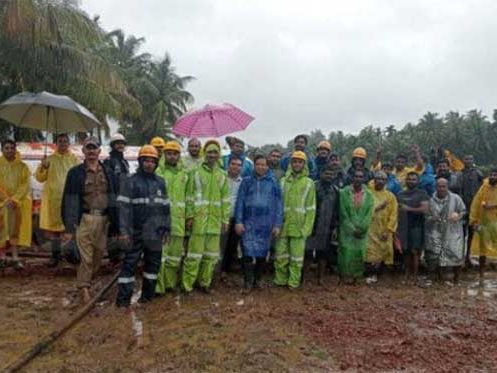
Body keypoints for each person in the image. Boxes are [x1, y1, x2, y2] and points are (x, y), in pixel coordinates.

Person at [62, 137, 118, 303]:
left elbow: (115, 198)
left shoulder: (109, 172)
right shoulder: (75, 173)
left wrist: (117, 224)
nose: (92, 151)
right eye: (88, 148)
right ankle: (84, 290)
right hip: (85, 219)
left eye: (94, 148)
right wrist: (69, 228)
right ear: (83, 151)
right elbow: (69, 199)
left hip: (104, 220)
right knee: (86, 257)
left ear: (99, 151)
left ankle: (85, 283)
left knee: (97, 258)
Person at [116, 145, 170, 307]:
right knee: (129, 266)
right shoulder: (130, 182)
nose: (149, 164)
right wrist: (124, 231)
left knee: (153, 267)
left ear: (156, 163)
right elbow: (123, 209)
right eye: (145, 160)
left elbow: (166, 208)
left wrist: (166, 228)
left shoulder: (160, 183)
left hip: (155, 234)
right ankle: (123, 301)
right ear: (140, 161)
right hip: (135, 233)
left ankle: (147, 298)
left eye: (152, 161)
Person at [182, 140, 230, 294]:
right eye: (209, 152)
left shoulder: (222, 175)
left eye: (215, 152)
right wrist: (189, 216)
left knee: (210, 256)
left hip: (215, 222)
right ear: (204, 153)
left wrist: (225, 220)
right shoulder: (195, 172)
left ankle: (205, 283)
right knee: (194, 255)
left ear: (218, 155)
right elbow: (189, 196)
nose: (212, 155)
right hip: (198, 220)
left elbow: (225, 200)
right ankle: (187, 285)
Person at [235, 155, 283, 289]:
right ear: (254, 166)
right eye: (258, 164)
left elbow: (279, 204)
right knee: (247, 252)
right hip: (248, 221)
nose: (261, 167)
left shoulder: (273, 182)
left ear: (268, 166)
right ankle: (248, 282)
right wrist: (238, 221)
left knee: (263, 253)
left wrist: (277, 224)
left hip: (266, 223)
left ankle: (257, 280)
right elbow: (240, 202)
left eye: (264, 164)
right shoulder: (246, 181)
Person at [36, 133, 80, 267]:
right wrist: (43, 167)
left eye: (65, 141)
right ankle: (55, 256)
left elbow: (79, 178)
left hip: (69, 200)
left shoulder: (74, 159)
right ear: (56, 143)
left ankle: (71, 255)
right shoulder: (49, 159)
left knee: (71, 228)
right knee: (55, 230)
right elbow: (40, 178)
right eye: (60, 141)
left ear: (69, 143)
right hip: (53, 199)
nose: (63, 144)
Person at [274, 151, 316, 289]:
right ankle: (280, 280)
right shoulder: (283, 181)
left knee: (296, 258)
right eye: (295, 161)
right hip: (283, 225)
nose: (297, 164)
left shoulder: (309, 183)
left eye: (300, 162)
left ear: (304, 164)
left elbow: (311, 208)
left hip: (299, 227)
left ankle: (293, 282)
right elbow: (277, 205)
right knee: (280, 256)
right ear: (291, 164)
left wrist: (306, 229)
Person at [155, 141, 188, 294]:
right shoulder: (158, 174)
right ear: (164, 155)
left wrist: (190, 217)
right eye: (169, 153)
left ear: (179, 156)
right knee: (160, 257)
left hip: (179, 222)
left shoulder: (185, 175)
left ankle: (169, 284)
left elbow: (190, 198)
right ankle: (158, 287)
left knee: (175, 258)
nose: (172, 156)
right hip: (161, 223)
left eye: (175, 154)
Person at [425, 178, 466, 283]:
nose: (442, 189)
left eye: (444, 186)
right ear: (436, 187)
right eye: (439, 186)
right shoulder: (431, 200)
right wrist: (432, 218)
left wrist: (458, 216)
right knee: (437, 254)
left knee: (456, 254)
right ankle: (440, 279)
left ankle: (457, 279)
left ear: (447, 187)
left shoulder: (456, 198)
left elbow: (463, 211)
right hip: (437, 231)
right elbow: (427, 217)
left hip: (453, 232)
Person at [338, 169, 374, 284]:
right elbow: (343, 212)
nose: (358, 179)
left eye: (361, 177)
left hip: (362, 231)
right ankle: (345, 276)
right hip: (347, 231)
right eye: (356, 176)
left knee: (359, 253)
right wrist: (352, 229)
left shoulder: (369, 195)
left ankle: (357, 277)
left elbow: (369, 214)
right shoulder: (344, 193)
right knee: (346, 253)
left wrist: (362, 229)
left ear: (364, 179)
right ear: (352, 178)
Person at [0, 140, 32, 269]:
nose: (9, 150)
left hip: (16, 204)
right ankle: (2, 257)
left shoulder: (22, 166)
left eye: (11, 148)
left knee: (14, 230)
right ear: (2, 150)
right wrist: (6, 199)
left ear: (15, 149)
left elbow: (25, 185)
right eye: (6, 148)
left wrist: (15, 199)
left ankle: (15, 257)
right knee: (1, 230)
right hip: (2, 203)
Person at [305, 165, 339, 284]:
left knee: (323, 254)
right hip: (312, 225)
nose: (329, 176)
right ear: (321, 174)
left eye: (331, 174)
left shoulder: (335, 190)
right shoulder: (313, 187)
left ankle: (320, 278)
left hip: (327, 227)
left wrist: (335, 227)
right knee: (308, 252)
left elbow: (336, 211)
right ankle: (304, 277)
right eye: (326, 173)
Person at [365, 171, 398, 284]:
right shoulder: (368, 194)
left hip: (384, 230)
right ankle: (371, 274)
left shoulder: (390, 196)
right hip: (370, 229)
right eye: (378, 178)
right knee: (370, 252)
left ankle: (382, 275)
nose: (380, 181)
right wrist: (378, 208)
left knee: (384, 251)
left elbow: (394, 214)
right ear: (374, 180)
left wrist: (389, 230)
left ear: (386, 181)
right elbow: (364, 210)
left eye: (383, 179)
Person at [397, 172, 429, 284]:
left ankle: (415, 276)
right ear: (406, 180)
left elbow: (425, 209)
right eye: (409, 179)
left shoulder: (422, 194)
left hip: (417, 226)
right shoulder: (400, 194)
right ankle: (406, 274)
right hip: (403, 226)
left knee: (415, 252)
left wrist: (409, 209)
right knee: (405, 251)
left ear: (418, 181)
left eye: (414, 179)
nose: (411, 181)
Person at [469, 168, 497, 278]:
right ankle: (481, 274)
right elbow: (475, 204)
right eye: (492, 174)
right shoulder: (484, 187)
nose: (493, 177)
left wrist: (493, 206)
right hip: (484, 223)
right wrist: (473, 220)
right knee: (482, 250)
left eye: (495, 175)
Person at [220, 156, 243, 275]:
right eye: (233, 164)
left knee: (231, 245)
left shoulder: (242, 182)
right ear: (228, 165)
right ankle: (216, 269)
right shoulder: (221, 178)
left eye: (239, 165)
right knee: (220, 245)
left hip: (235, 217)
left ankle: (225, 270)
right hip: (221, 217)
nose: (236, 167)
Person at [461, 154, 483, 266]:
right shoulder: (459, 174)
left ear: (473, 160)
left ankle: (468, 257)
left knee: (472, 234)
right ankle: (460, 257)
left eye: (470, 159)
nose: (468, 161)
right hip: (462, 209)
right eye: (466, 159)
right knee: (461, 233)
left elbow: (482, 190)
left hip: (474, 210)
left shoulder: (478, 173)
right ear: (463, 160)